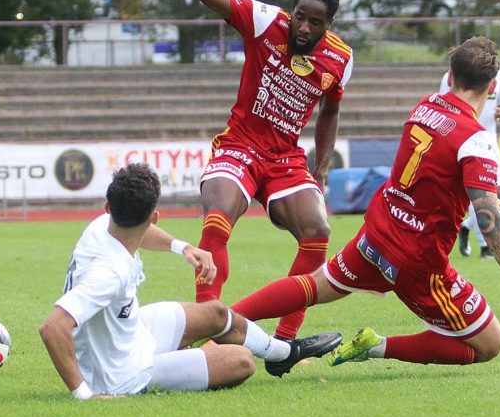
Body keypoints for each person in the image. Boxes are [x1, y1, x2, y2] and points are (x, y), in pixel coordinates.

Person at [230, 37, 500, 369]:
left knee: (313, 286)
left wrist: (477, 199)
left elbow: (432, 178)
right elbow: (489, 220)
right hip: (416, 261)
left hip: (377, 235)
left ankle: (221, 320)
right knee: (489, 344)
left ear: (451, 78)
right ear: (492, 87)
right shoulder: (477, 140)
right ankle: (376, 347)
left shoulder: (426, 106)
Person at [138, 0, 354, 341]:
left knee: (318, 232)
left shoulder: (341, 59)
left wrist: (322, 166)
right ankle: (204, 328)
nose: (304, 28)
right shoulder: (264, 21)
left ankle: (288, 341)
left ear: (329, 26)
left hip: (285, 158)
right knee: (217, 218)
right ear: (292, 11)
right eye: (300, 17)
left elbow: (330, 111)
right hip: (239, 146)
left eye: (316, 23)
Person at [38, 164, 342, 399]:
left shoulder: (102, 224)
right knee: (242, 361)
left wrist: (183, 248)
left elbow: (141, 232)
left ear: (108, 207)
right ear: (155, 216)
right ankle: (174, 363)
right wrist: (84, 394)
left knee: (216, 313)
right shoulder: (110, 274)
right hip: (121, 373)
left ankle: (283, 354)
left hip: (131, 332)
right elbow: (53, 327)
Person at [438, 67, 500, 258]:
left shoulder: (498, 75)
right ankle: (486, 247)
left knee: (497, 193)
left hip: (490, 141)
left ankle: (466, 226)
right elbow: (443, 107)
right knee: (479, 193)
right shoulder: (452, 76)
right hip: (466, 140)